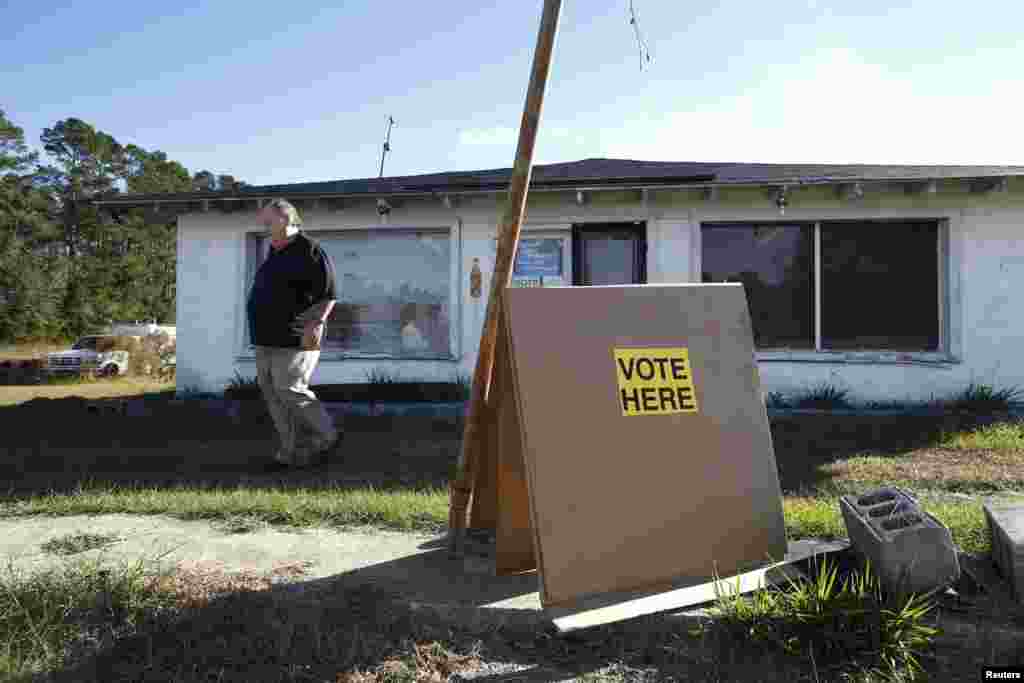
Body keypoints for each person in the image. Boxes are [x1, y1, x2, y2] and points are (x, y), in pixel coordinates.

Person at [246, 198, 341, 471]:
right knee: (272, 393)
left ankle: (328, 436)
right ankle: (290, 450)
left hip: (295, 335)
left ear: (286, 219)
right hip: (265, 336)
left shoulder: (309, 250)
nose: (263, 224)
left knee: (289, 389)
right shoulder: (273, 251)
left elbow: (329, 294)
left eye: (268, 219)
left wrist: (315, 325)